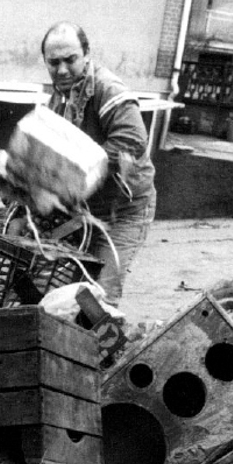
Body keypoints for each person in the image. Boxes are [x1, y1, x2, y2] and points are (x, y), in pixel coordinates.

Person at [40, 22, 156, 304]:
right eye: (54, 62)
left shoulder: (107, 88)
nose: (63, 69)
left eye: (70, 59)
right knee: (67, 292)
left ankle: (104, 347)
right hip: (87, 212)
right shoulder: (59, 98)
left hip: (124, 210)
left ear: (87, 54)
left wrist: (76, 168)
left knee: (100, 296)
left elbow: (133, 140)